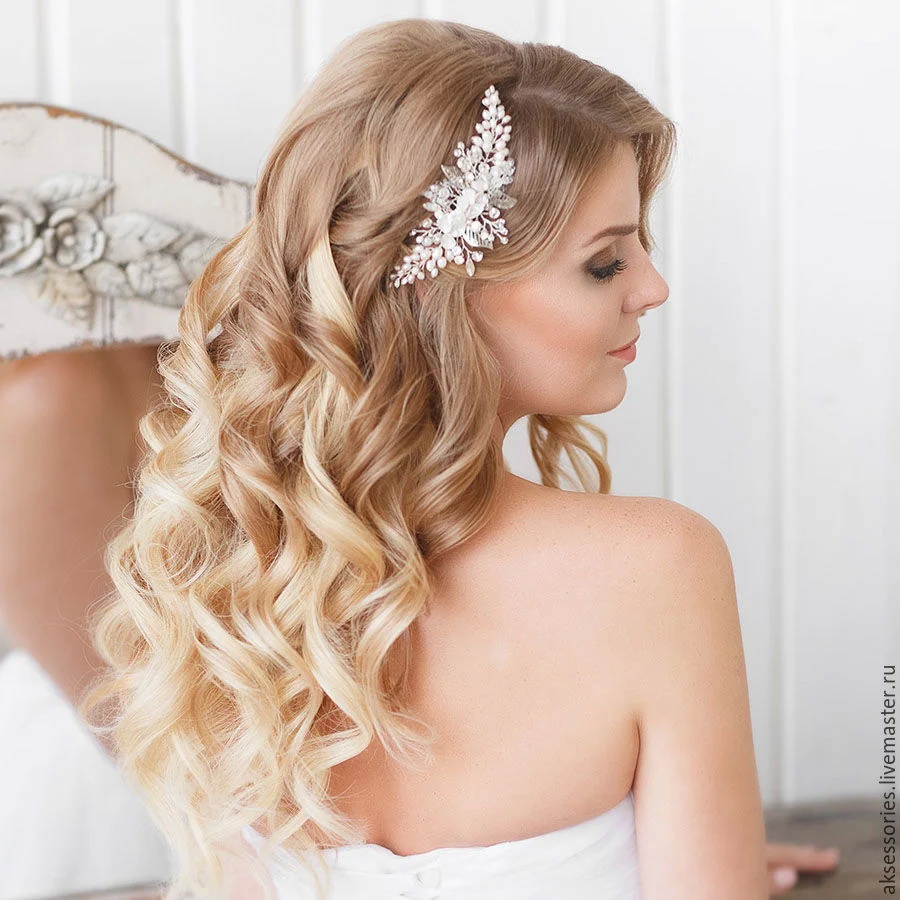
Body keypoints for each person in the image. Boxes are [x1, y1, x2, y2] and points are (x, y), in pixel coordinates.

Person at [0, 16, 840, 900]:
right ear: (450, 294)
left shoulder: (235, 586)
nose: (653, 288)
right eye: (605, 263)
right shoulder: (660, 566)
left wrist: (681, 830)